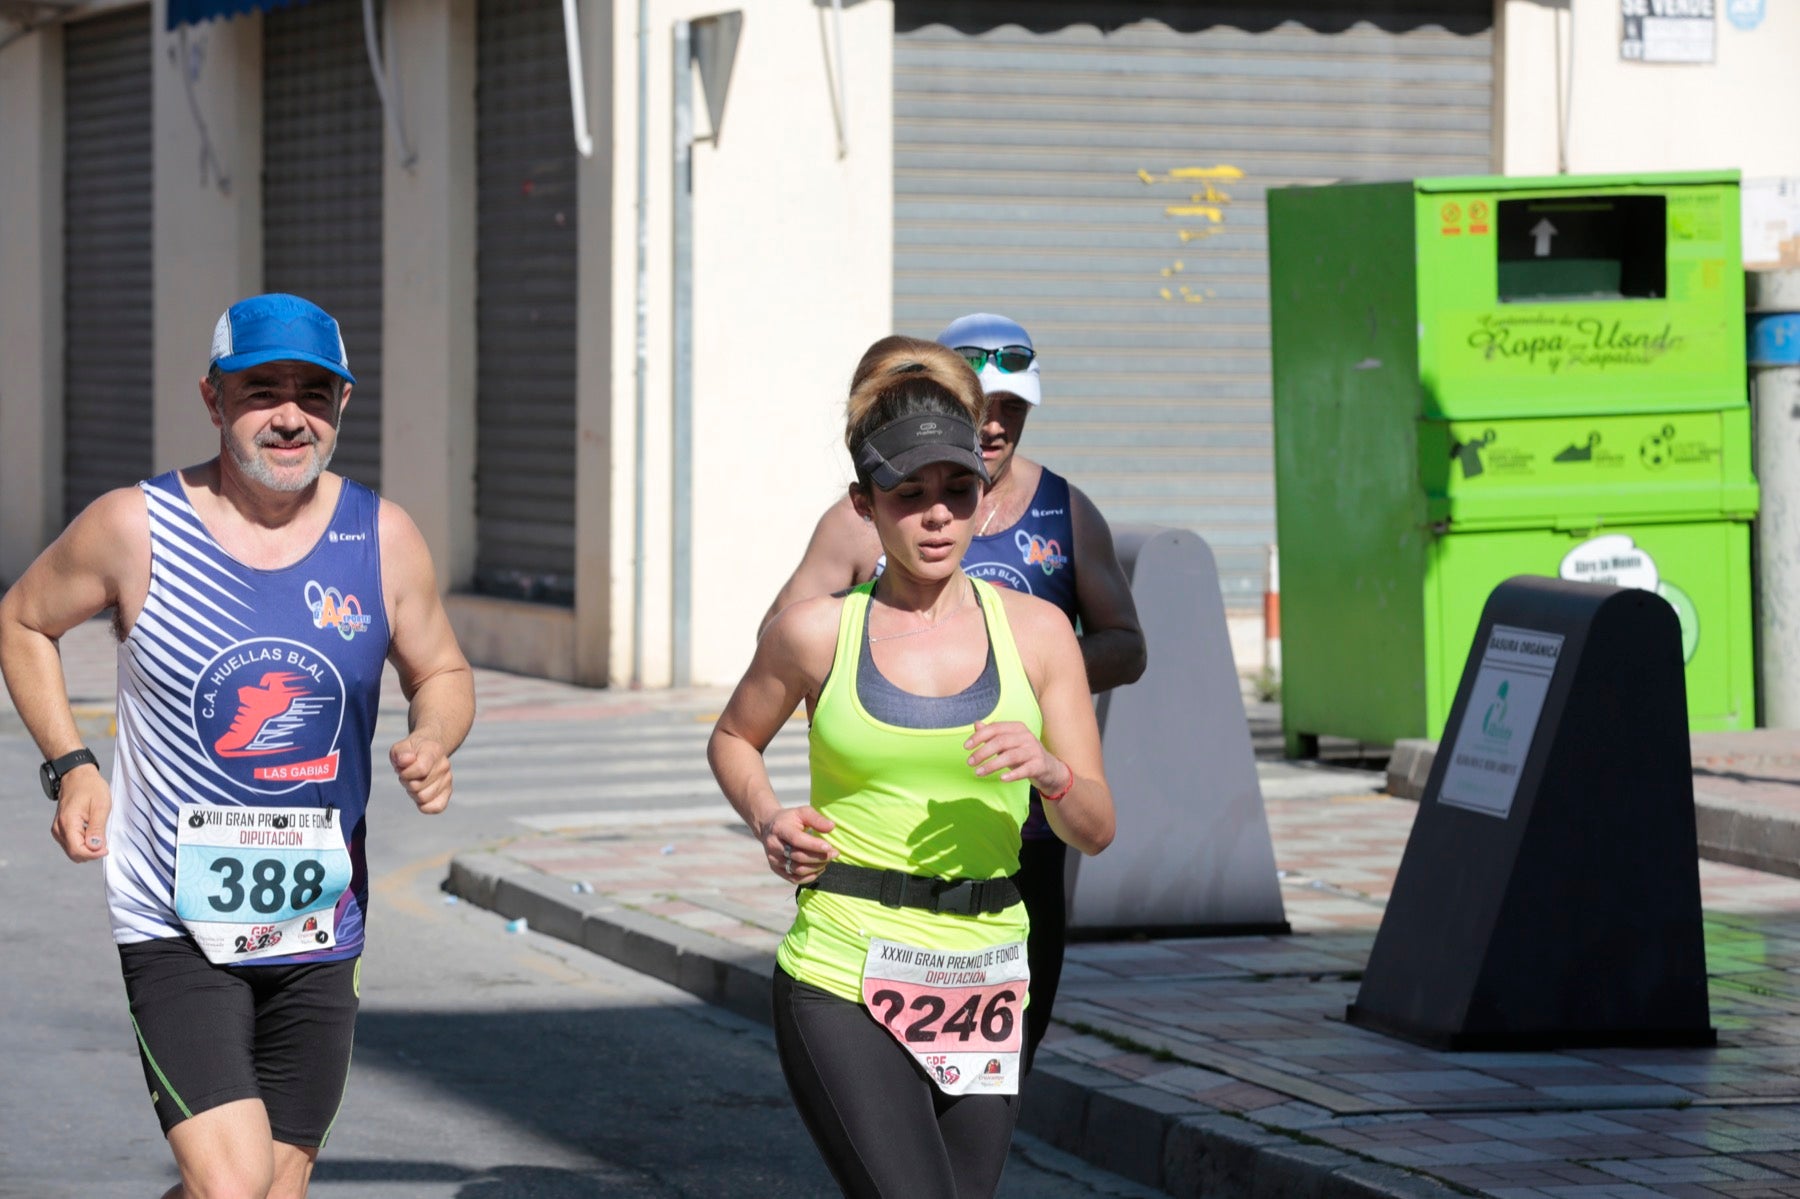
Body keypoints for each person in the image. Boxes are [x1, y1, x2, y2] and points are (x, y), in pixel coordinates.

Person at [0, 293, 475, 1199]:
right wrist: (71, 765)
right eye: (263, 391)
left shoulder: (381, 535)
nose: (290, 415)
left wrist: (434, 734)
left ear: (342, 406)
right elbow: (22, 619)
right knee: (233, 1184)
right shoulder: (135, 527)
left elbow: (443, 670)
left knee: (272, 1188)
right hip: (174, 916)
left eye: (314, 393)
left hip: (322, 918)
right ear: (214, 401)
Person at [710, 335, 1115, 1199]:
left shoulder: (1039, 636)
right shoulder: (817, 631)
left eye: (958, 491)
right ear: (866, 505)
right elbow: (734, 737)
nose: (938, 516)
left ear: (982, 493)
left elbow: (1098, 828)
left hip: (987, 967)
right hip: (846, 964)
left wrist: (1051, 769)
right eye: (911, 495)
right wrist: (769, 816)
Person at [759, 312, 1145, 1065]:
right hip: (876, 872)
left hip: (1022, 839)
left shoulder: (1062, 511)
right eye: (987, 408)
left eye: (1014, 409)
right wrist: (868, 689)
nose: (998, 425)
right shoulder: (857, 521)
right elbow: (780, 647)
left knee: (996, 1087)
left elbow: (1127, 646)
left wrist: (1019, 688)